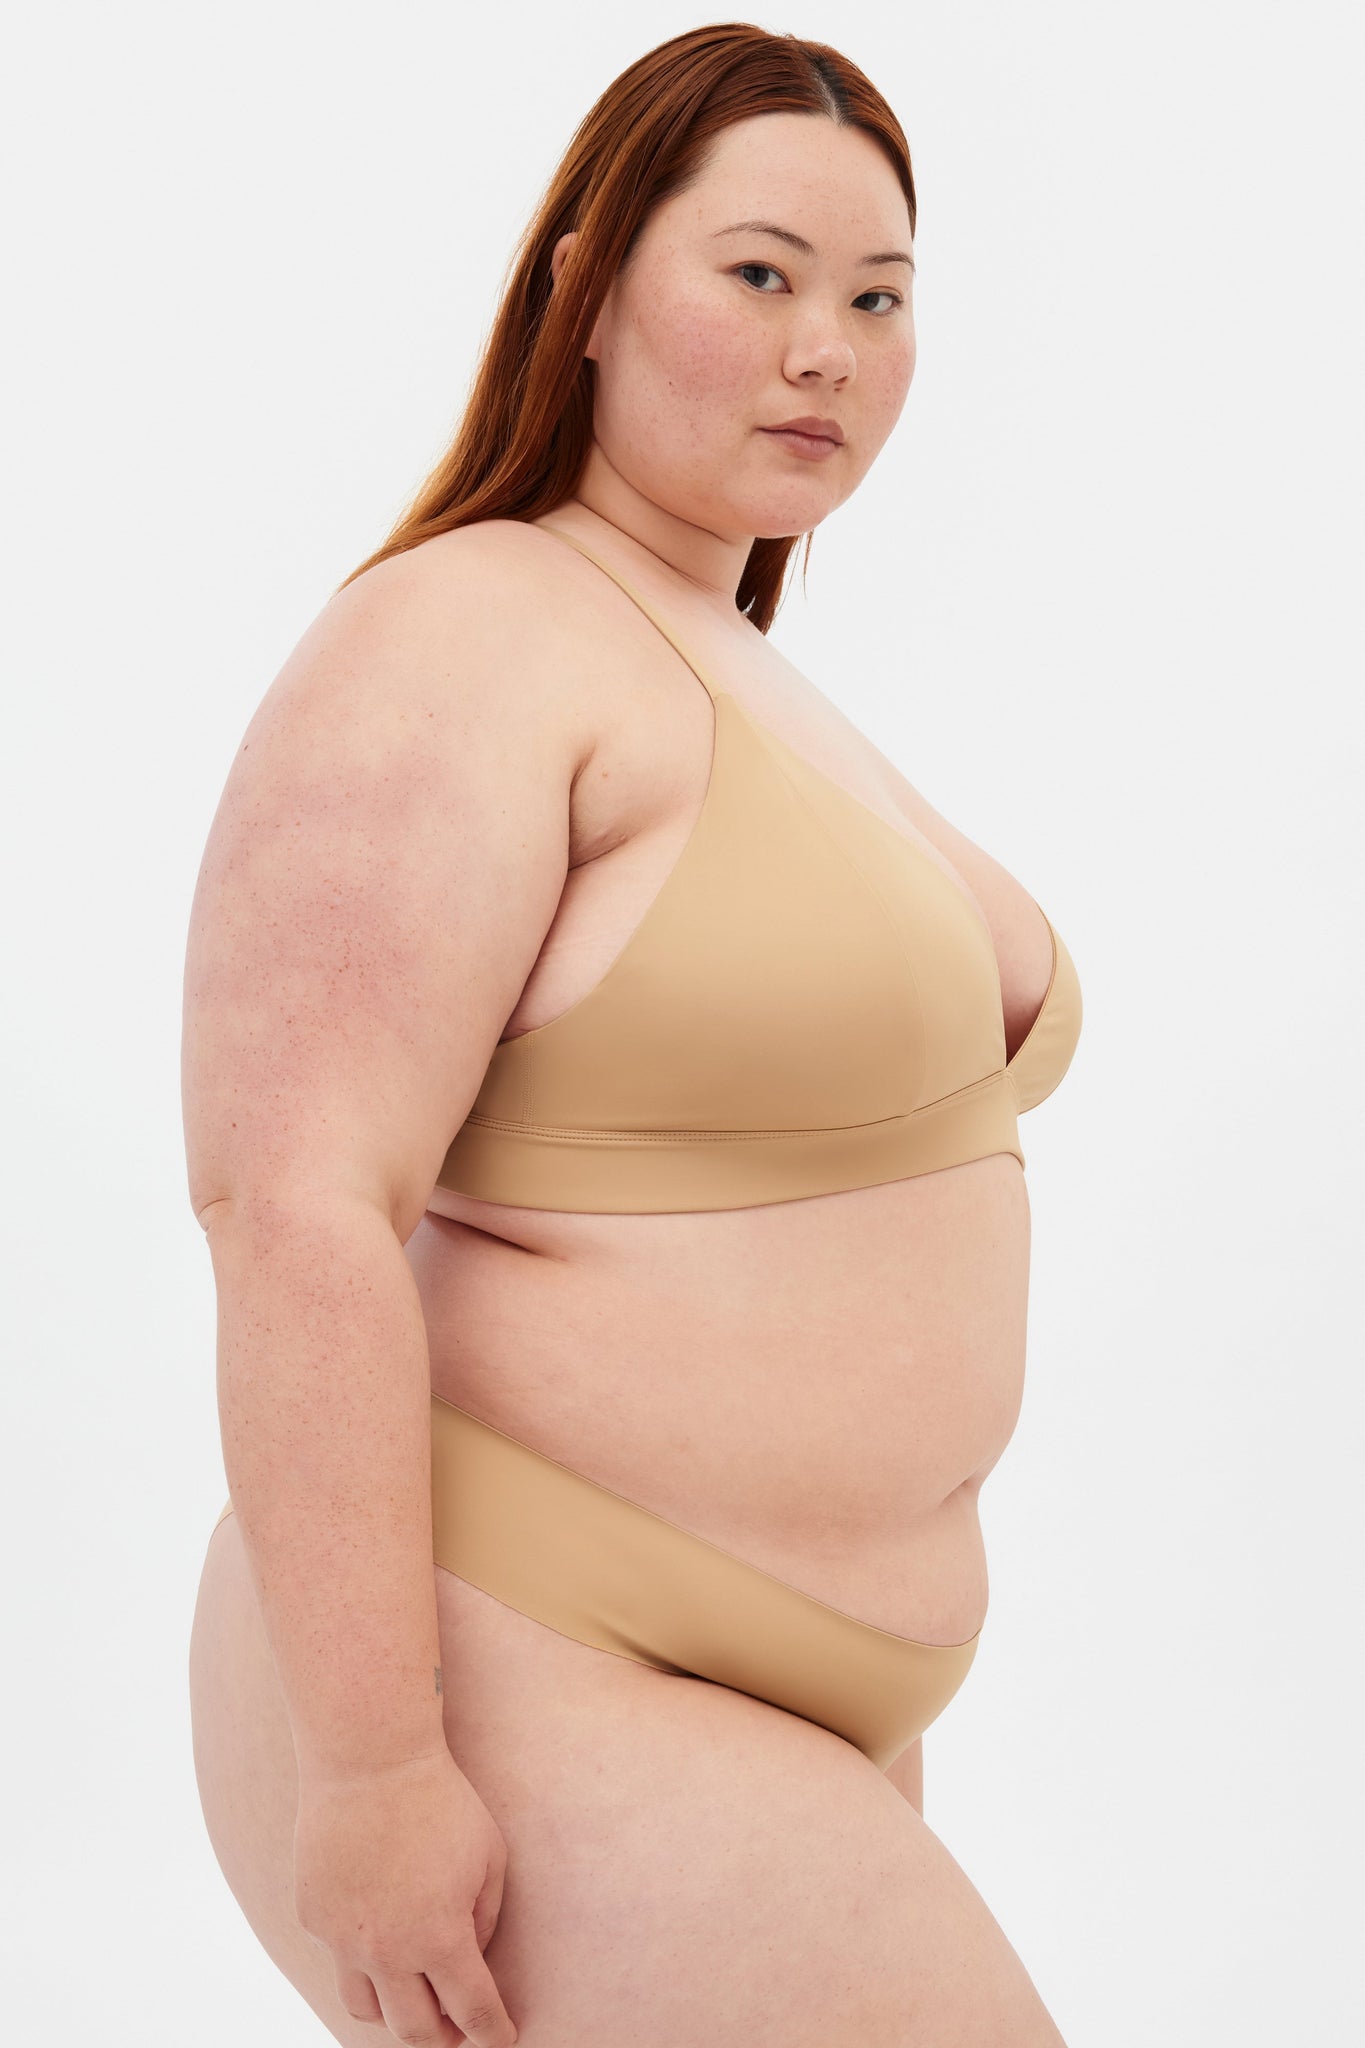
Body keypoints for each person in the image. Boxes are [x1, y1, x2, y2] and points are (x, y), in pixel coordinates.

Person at [185, 23, 1081, 2047]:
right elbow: (294, 1201)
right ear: (584, 291)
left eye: (877, 299)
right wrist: (371, 1767)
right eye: (758, 274)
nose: (823, 350)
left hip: (785, 1706)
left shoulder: (729, 657)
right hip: (523, 1650)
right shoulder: (467, 629)